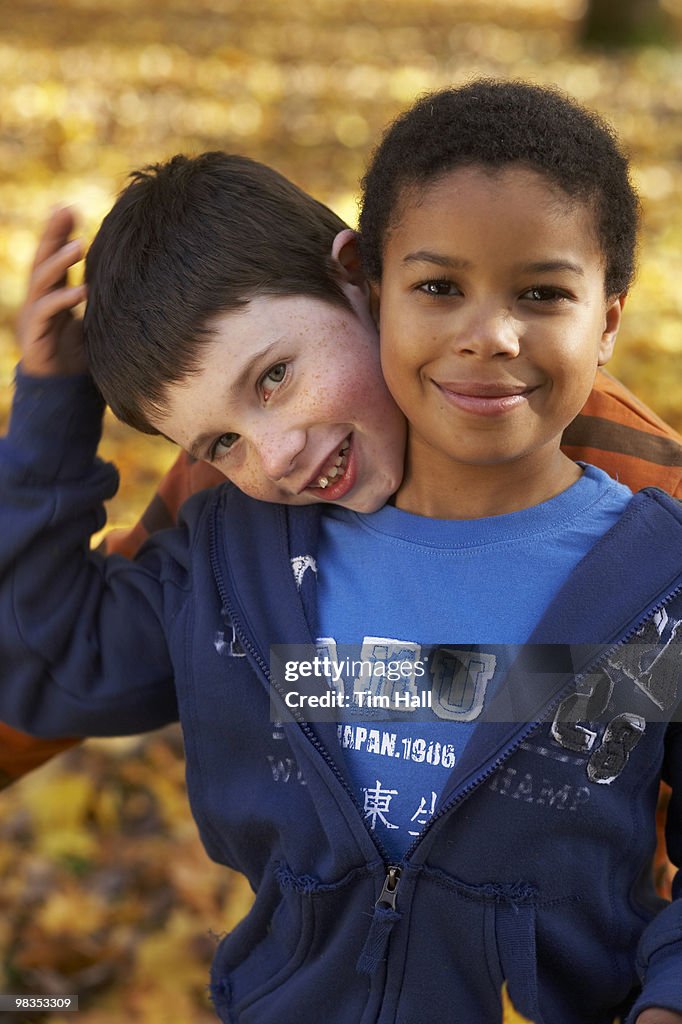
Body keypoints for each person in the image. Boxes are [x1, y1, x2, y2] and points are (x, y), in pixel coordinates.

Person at [0, 82, 681, 1022]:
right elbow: (51, 657)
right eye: (219, 443)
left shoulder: (644, 541)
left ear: (356, 281)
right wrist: (50, 404)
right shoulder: (230, 560)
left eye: (275, 377)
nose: (274, 454)